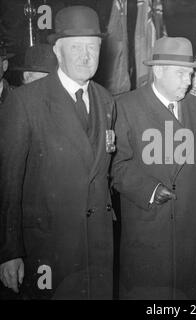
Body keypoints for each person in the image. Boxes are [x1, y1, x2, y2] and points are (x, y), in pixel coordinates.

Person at [0, 6, 116, 299]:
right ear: (57, 51)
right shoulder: (26, 102)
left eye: (92, 47)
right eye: (76, 47)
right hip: (48, 250)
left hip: (98, 247)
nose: (85, 56)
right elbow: (8, 181)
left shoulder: (106, 100)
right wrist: (9, 250)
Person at [112, 36, 196, 299]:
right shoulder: (126, 107)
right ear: (158, 71)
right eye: (181, 73)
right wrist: (149, 189)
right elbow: (116, 165)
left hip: (192, 229)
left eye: (191, 73)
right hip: (150, 226)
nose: (189, 81)